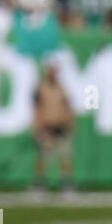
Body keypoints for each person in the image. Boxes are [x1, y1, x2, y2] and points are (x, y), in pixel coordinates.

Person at [31, 60, 74, 195]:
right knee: (43, 157)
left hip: (60, 126)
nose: (54, 74)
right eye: (51, 70)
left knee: (64, 156)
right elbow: (37, 109)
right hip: (47, 126)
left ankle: (66, 183)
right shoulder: (41, 88)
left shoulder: (62, 88)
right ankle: (39, 183)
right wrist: (38, 126)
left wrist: (69, 122)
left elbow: (66, 107)